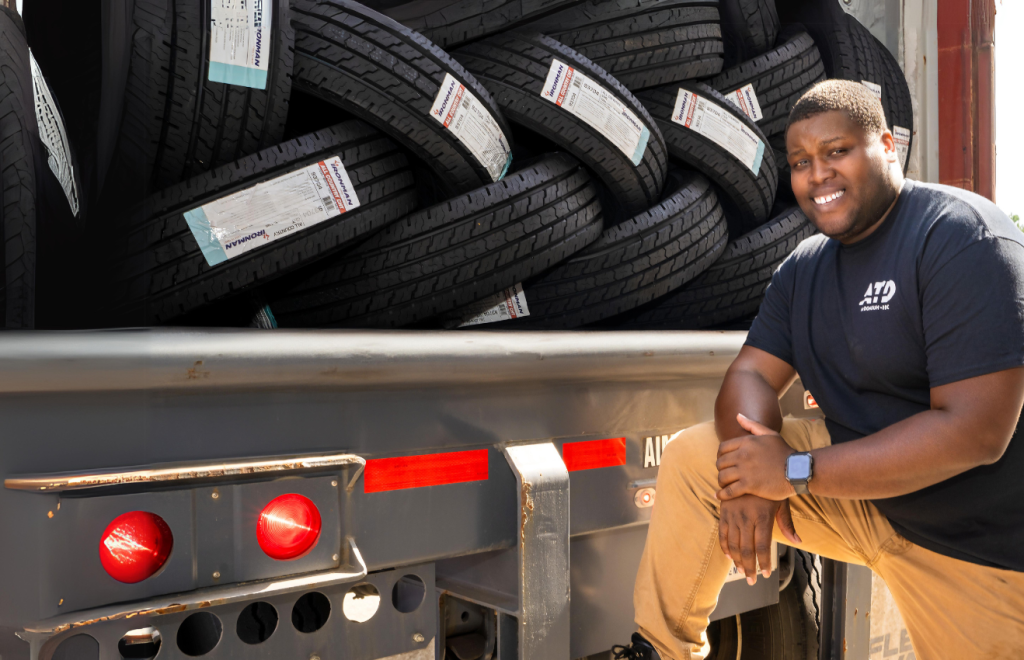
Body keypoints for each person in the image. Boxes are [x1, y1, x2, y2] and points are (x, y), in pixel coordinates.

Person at [613, 79, 1024, 660]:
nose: (818, 175)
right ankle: (661, 650)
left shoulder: (959, 238)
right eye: (802, 162)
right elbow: (751, 377)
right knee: (700, 457)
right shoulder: (805, 268)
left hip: (975, 544)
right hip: (864, 502)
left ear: (886, 145)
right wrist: (750, 477)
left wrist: (794, 471)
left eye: (837, 152)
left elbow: (975, 432)